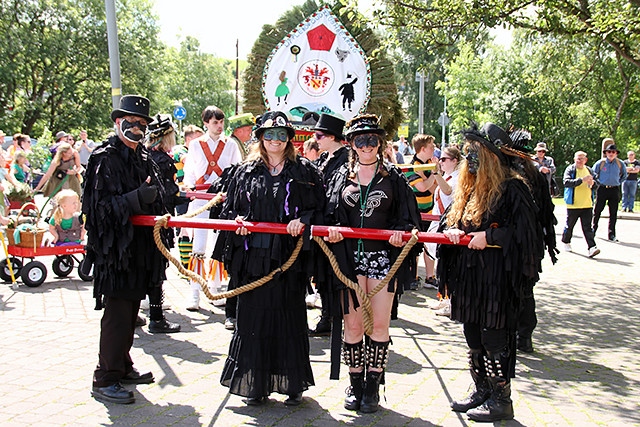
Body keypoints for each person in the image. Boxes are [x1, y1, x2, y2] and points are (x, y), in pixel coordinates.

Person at [213, 111, 325, 406]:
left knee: (289, 316)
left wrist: (304, 219)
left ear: (289, 139)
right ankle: (254, 385)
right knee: (253, 318)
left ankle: (291, 385)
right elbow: (228, 210)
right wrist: (237, 220)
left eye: (281, 135)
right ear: (260, 137)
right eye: (269, 135)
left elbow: (321, 208)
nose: (275, 140)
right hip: (254, 258)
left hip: (289, 259)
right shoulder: (244, 171)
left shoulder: (306, 171)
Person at [438, 123, 541, 422]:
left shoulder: (513, 188)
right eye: (468, 152)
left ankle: (500, 399)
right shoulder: (467, 190)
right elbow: (450, 220)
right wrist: (453, 231)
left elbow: (527, 236)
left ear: (493, 157)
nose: (469, 158)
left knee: (494, 336)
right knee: (473, 334)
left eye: (476, 152)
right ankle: (481, 390)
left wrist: (491, 238)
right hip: (469, 276)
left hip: (497, 277)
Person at [323, 114, 421, 413]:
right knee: (352, 326)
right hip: (347, 260)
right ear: (351, 144)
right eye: (361, 140)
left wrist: (399, 234)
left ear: (380, 143)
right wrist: (333, 229)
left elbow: (410, 218)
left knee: (379, 324)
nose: (367, 146)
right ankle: (354, 383)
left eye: (373, 140)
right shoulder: (339, 176)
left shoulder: (394, 178)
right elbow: (326, 213)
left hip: (382, 260)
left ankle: (372, 386)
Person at [83, 94, 173, 404]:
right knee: (118, 312)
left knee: (132, 309)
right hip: (115, 254)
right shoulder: (103, 158)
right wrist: (136, 198)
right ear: (118, 123)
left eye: (142, 124)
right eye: (131, 122)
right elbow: (98, 212)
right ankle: (105, 376)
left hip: (140, 250)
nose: (137, 128)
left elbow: (157, 195)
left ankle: (122, 366)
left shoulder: (143, 157)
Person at [182, 105, 242, 313]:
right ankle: (195, 292)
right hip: (200, 198)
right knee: (198, 246)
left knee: (218, 246)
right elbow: (189, 171)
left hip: (222, 200)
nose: (219, 126)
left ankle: (215, 290)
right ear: (206, 123)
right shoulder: (196, 145)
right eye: (215, 122)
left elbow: (237, 170)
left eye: (221, 121)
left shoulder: (231, 144)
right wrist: (190, 189)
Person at [142, 113, 189, 334]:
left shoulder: (144, 155)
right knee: (156, 269)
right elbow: (167, 194)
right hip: (158, 220)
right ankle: (157, 317)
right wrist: (184, 196)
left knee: (143, 268)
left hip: (145, 219)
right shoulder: (162, 160)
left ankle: (136, 314)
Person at [308, 113, 348, 339]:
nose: (316, 139)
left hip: (336, 227)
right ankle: (327, 315)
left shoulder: (346, 159)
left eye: (319, 135)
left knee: (336, 274)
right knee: (323, 273)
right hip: (322, 225)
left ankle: (336, 318)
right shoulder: (325, 158)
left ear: (332, 137)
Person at [424, 144, 462, 316]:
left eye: (445, 159)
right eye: (441, 159)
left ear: (455, 161)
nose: (441, 162)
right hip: (439, 223)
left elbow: (447, 192)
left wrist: (436, 174)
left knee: (448, 265)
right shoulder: (446, 176)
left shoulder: (457, 178)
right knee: (441, 264)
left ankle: (452, 301)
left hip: (449, 225)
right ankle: (444, 298)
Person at [405, 134, 438, 289]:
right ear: (423, 148)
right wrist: (433, 175)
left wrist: (430, 177)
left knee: (429, 244)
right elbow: (422, 187)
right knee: (414, 245)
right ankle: (413, 276)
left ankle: (430, 277)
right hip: (415, 212)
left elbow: (433, 189)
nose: (434, 149)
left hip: (430, 211)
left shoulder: (428, 166)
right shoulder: (412, 167)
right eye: (431, 146)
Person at [174, 125, 204, 269]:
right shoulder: (180, 150)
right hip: (182, 195)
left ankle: (190, 263)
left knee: (192, 228)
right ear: (189, 139)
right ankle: (185, 265)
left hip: (193, 195)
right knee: (184, 230)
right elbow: (185, 159)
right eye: (198, 139)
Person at [562, 151, 599, 257]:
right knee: (570, 226)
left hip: (587, 204)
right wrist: (581, 180)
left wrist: (592, 183)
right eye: (578, 159)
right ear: (574, 159)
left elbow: (597, 184)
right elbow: (567, 182)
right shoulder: (570, 169)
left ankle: (592, 247)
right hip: (573, 204)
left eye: (582, 159)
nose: (579, 161)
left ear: (585, 160)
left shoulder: (589, 170)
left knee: (587, 227)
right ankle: (566, 241)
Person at [592, 140, 627, 242]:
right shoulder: (600, 163)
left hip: (614, 189)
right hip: (602, 188)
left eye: (613, 152)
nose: (611, 154)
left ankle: (611, 234)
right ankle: (593, 229)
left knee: (613, 212)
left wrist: (618, 182)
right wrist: (598, 182)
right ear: (606, 153)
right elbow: (594, 174)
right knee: (597, 210)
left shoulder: (620, 164)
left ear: (616, 153)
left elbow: (624, 175)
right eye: (609, 152)